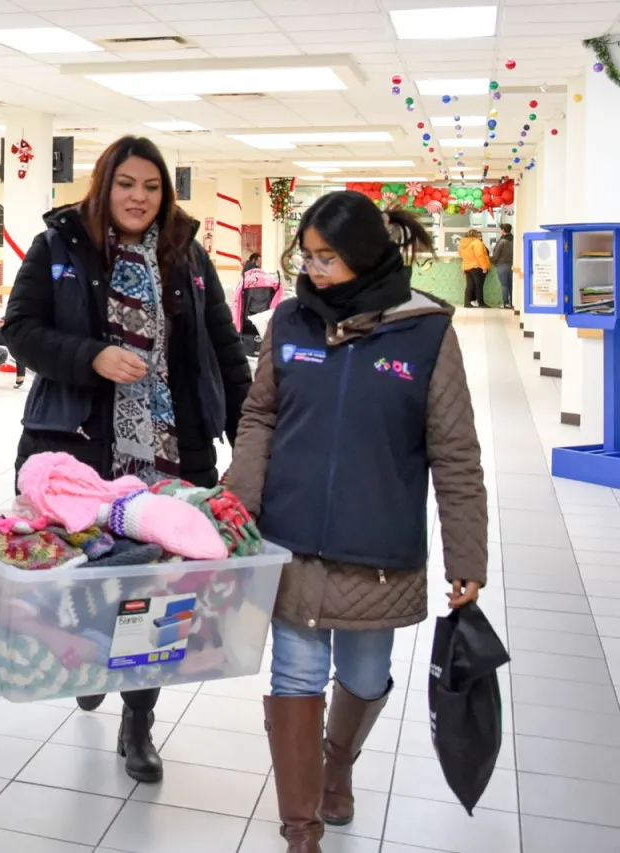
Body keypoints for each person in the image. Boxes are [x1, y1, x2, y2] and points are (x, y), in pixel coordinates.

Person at [225, 191, 487, 853]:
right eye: (306, 256)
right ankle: (301, 829)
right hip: (292, 537)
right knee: (294, 678)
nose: (313, 270)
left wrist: (467, 558)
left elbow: (455, 453)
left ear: (365, 256)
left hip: (378, 549)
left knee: (365, 677)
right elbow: (260, 416)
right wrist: (239, 501)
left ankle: (337, 758)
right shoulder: (289, 323)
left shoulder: (425, 332)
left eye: (328, 258)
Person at [3, 136, 253, 785]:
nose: (139, 197)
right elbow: (20, 329)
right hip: (84, 453)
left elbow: (223, 348)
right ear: (103, 185)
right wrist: (89, 354)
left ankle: (138, 719)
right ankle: (90, 666)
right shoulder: (58, 246)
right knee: (92, 585)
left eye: (151, 186)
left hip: (172, 455)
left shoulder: (188, 254)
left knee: (157, 593)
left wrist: (249, 441)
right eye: (126, 184)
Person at [460, 228, 492, 308]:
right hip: (477, 267)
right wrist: (484, 267)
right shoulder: (477, 243)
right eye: (478, 234)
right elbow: (480, 255)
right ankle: (481, 303)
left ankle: (467, 303)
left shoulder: (465, 244)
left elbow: (463, 256)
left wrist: (464, 267)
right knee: (479, 286)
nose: (479, 236)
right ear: (475, 235)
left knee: (470, 285)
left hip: (468, 267)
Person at [492, 222, 515, 308]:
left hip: (502, 265)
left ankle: (505, 303)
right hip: (512, 265)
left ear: (503, 230)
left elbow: (496, 254)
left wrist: (493, 262)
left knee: (504, 285)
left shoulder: (502, 241)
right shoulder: (514, 240)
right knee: (511, 285)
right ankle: (513, 302)